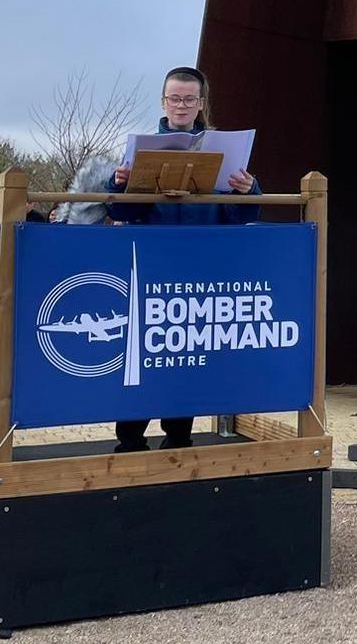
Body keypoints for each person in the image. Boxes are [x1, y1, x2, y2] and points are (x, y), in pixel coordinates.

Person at [107, 65, 261, 452]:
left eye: (189, 99)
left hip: (198, 271)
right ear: (163, 101)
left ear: (201, 104)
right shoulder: (141, 149)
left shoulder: (222, 151)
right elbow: (123, 214)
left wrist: (248, 189)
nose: (181, 105)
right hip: (150, 269)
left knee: (186, 355)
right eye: (174, 98)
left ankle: (179, 438)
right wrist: (118, 186)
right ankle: (129, 441)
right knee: (142, 355)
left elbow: (240, 216)